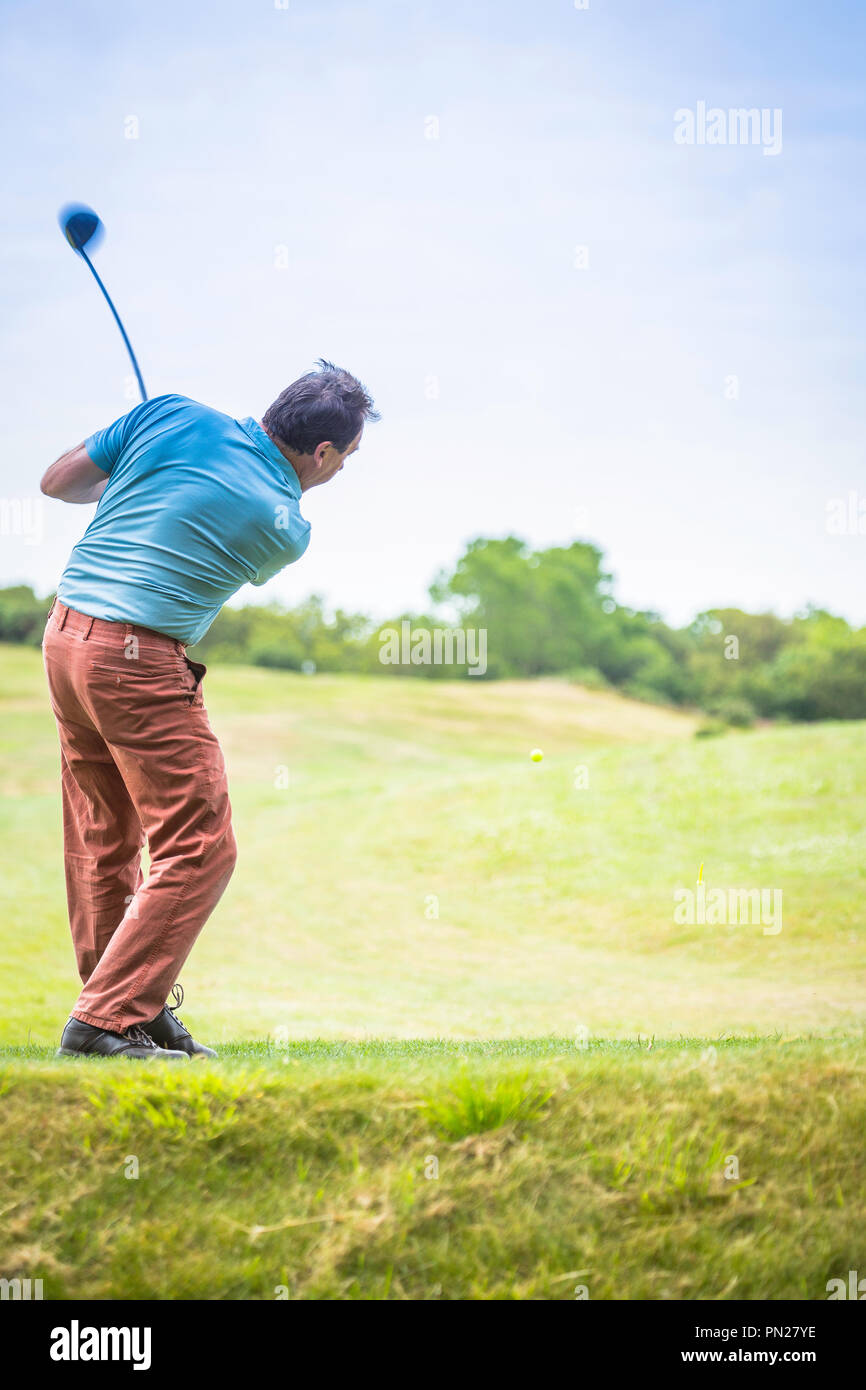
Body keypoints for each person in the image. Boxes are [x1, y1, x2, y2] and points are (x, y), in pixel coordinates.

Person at [40, 360, 378, 1060]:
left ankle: (122, 1010)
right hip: (135, 662)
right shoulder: (285, 523)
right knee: (200, 847)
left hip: (65, 639)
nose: (342, 470)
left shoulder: (167, 412)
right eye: (346, 458)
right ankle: (105, 1018)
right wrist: (152, 473)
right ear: (322, 452)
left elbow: (61, 483)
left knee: (108, 836)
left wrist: (139, 458)